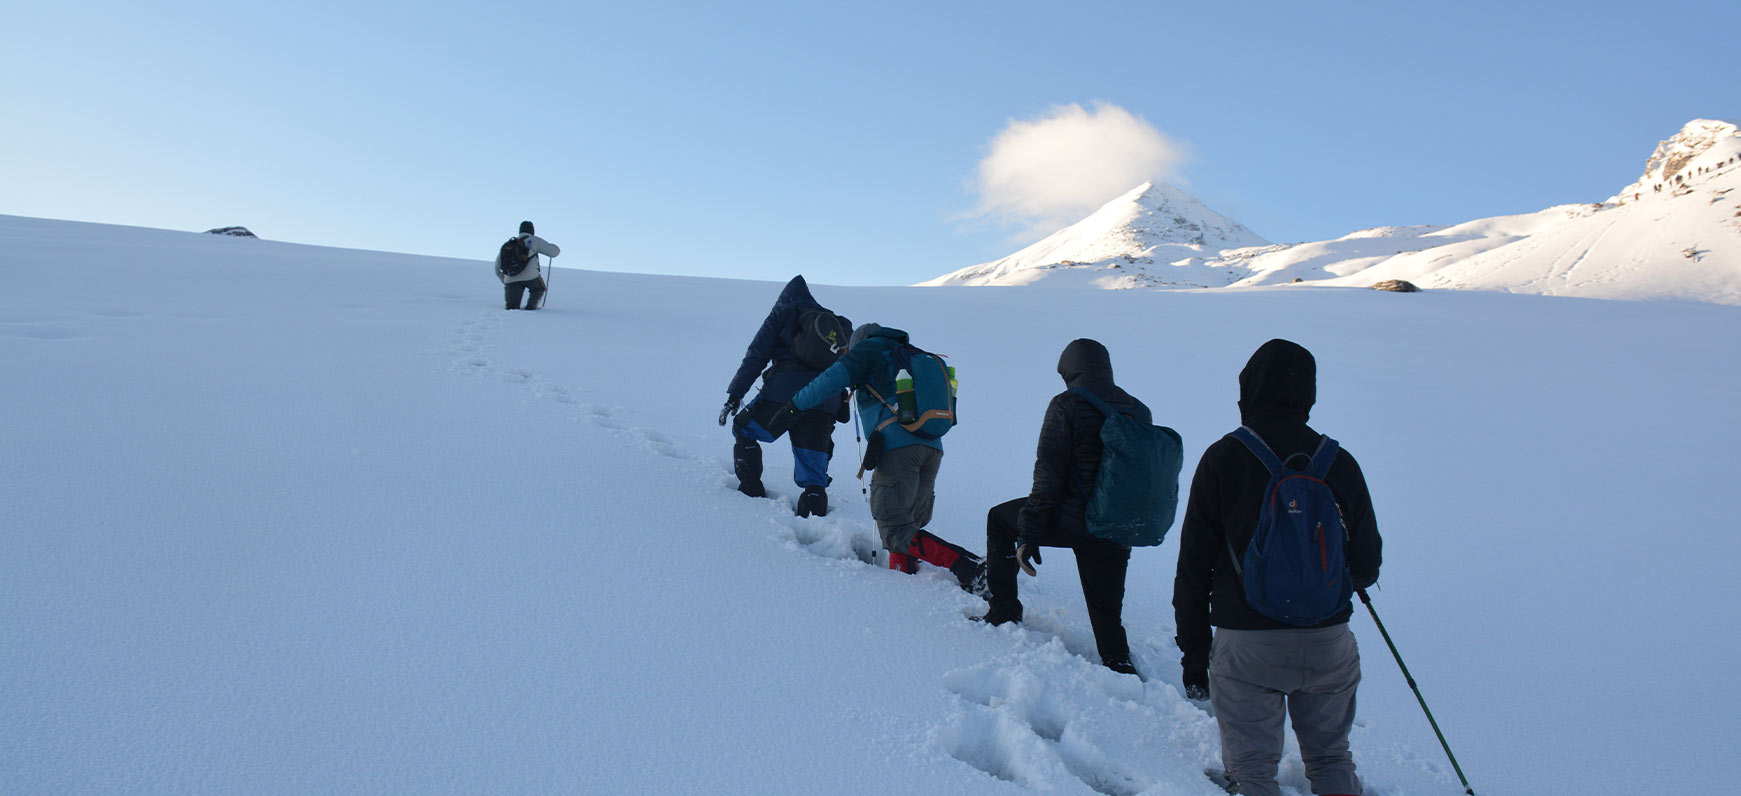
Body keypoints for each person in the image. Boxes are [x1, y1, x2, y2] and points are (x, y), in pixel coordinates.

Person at [1172, 339, 1382, 796]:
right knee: (1330, 758)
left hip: (1246, 647)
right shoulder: (1339, 461)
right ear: (1308, 394)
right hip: (1328, 641)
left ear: (1249, 390)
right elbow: (1367, 566)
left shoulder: (1223, 458)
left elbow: (1193, 568)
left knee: (1252, 772)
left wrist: (1194, 654)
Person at [980, 339, 1150, 676]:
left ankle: (1003, 611)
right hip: (1117, 526)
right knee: (1107, 613)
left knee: (999, 520)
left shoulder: (1066, 404)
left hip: (1072, 519)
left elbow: (1049, 477)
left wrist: (1028, 532)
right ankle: (1118, 664)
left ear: (1072, 370)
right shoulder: (1139, 410)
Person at [774, 323, 983, 590]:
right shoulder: (908, 355)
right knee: (908, 524)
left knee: (894, 528)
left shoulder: (869, 350)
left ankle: (971, 568)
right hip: (933, 447)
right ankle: (901, 580)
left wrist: (793, 406)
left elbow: (829, 380)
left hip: (899, 448)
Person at [718, 276, 851, 517]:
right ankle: (815, 518)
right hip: (825, 398)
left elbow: (756, 356)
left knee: (744, 429)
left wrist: (735, 395)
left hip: (783, 393)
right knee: (813, 465)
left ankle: (750, 492)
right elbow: (846, 365)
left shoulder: (783, 313)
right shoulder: (835, 324)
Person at [495, 220, 560, 310]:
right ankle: (531, 307)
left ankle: (512, 311)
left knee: (512, 308)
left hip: (511, 278)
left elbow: (497, 267)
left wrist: (505, 280)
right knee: (539, 288)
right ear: (532, 231)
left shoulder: (508, 245)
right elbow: (554, 252)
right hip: (531, 276)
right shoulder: (533, 240)